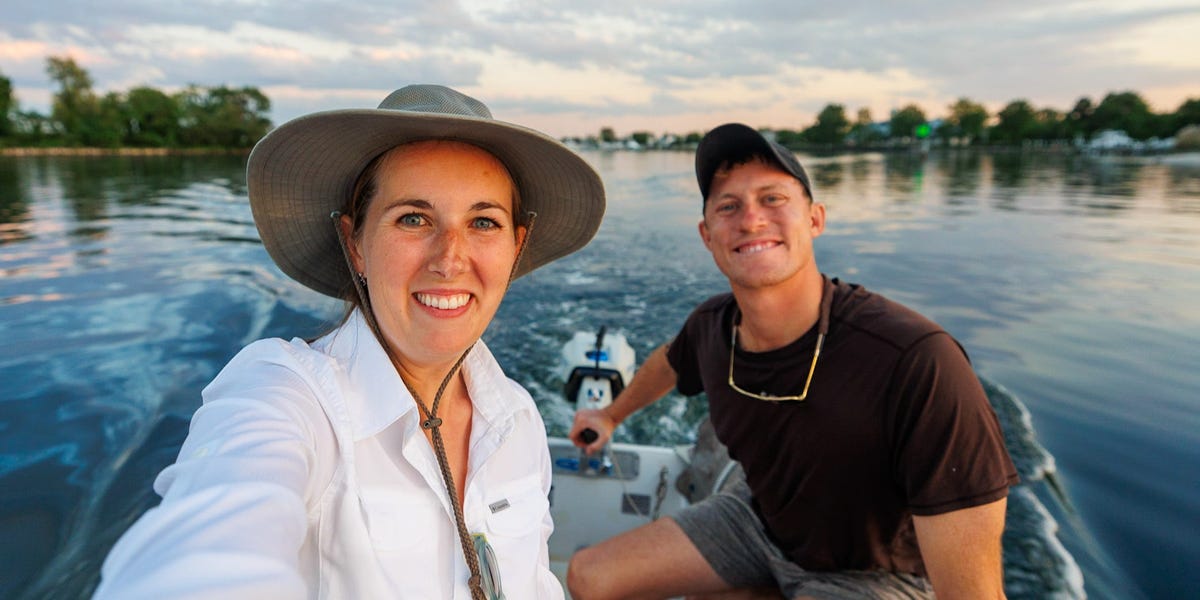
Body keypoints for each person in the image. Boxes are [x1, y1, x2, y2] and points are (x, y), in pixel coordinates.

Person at [95, 85, 605, 599]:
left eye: (483, 222)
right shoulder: (289, 396)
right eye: (413, 218)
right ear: (355, 242)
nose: (451, 259)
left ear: (515, 247)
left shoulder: (517, 418)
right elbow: (205, 548)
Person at [566, 123, 1018, 600]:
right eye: (728, 206)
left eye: (773, 199)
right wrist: (610, 415)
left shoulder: (916, 362)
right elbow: (671, 362)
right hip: (758, 518)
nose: (751, 219)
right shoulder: (712, 326)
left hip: (875, 574)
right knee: (588, 578)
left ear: (815, 219)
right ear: (707, 235)